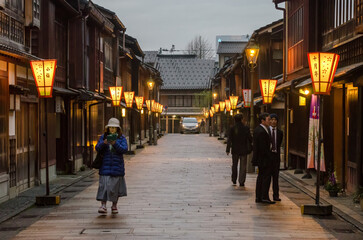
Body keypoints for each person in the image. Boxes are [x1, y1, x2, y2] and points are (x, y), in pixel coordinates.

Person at [95, 118, 128, 214]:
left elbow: (124, 149)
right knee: (104, 186)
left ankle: (114, 205)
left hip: (117, 166)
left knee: (115, 187)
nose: (112, 129)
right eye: (111, 128)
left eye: (114, 128)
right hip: (105, 165)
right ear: (108, 129)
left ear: (118, 129)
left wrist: (115, 143)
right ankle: (103, 205)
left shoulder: (121, 138)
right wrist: (104, 143)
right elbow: (97, 148)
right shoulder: (103, 137)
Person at [252, 112, 275, 204]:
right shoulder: (261, 131)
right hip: (264, 159)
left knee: (261, 177)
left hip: (262, 158)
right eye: (268, 119)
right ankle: (264, 196)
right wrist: (270, 157)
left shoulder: (262, 129)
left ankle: (259, 196)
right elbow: (263, 148)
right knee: (265, 178)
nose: (270, 121)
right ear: (262, 120)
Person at [226, 114, 252, 187]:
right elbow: (249, 138)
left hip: (235, 149)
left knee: (234, 164)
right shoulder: (245, 128)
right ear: (241, 119)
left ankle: (234, 178)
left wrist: (228, 149)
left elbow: (229, 139)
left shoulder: (232, 128)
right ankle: (241, 181)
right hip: (244, 149)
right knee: (243, 166)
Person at [269, 113, 283, 201]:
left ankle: (276, 195)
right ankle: (265, 195)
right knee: (267, 177)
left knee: (276, 177)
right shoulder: (267, 131)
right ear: (269, 121)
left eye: (275, 120)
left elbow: (279, 143)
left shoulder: (280, 133)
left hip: (276, 156)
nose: (273, 121)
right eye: (272, 119)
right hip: (268, 156)